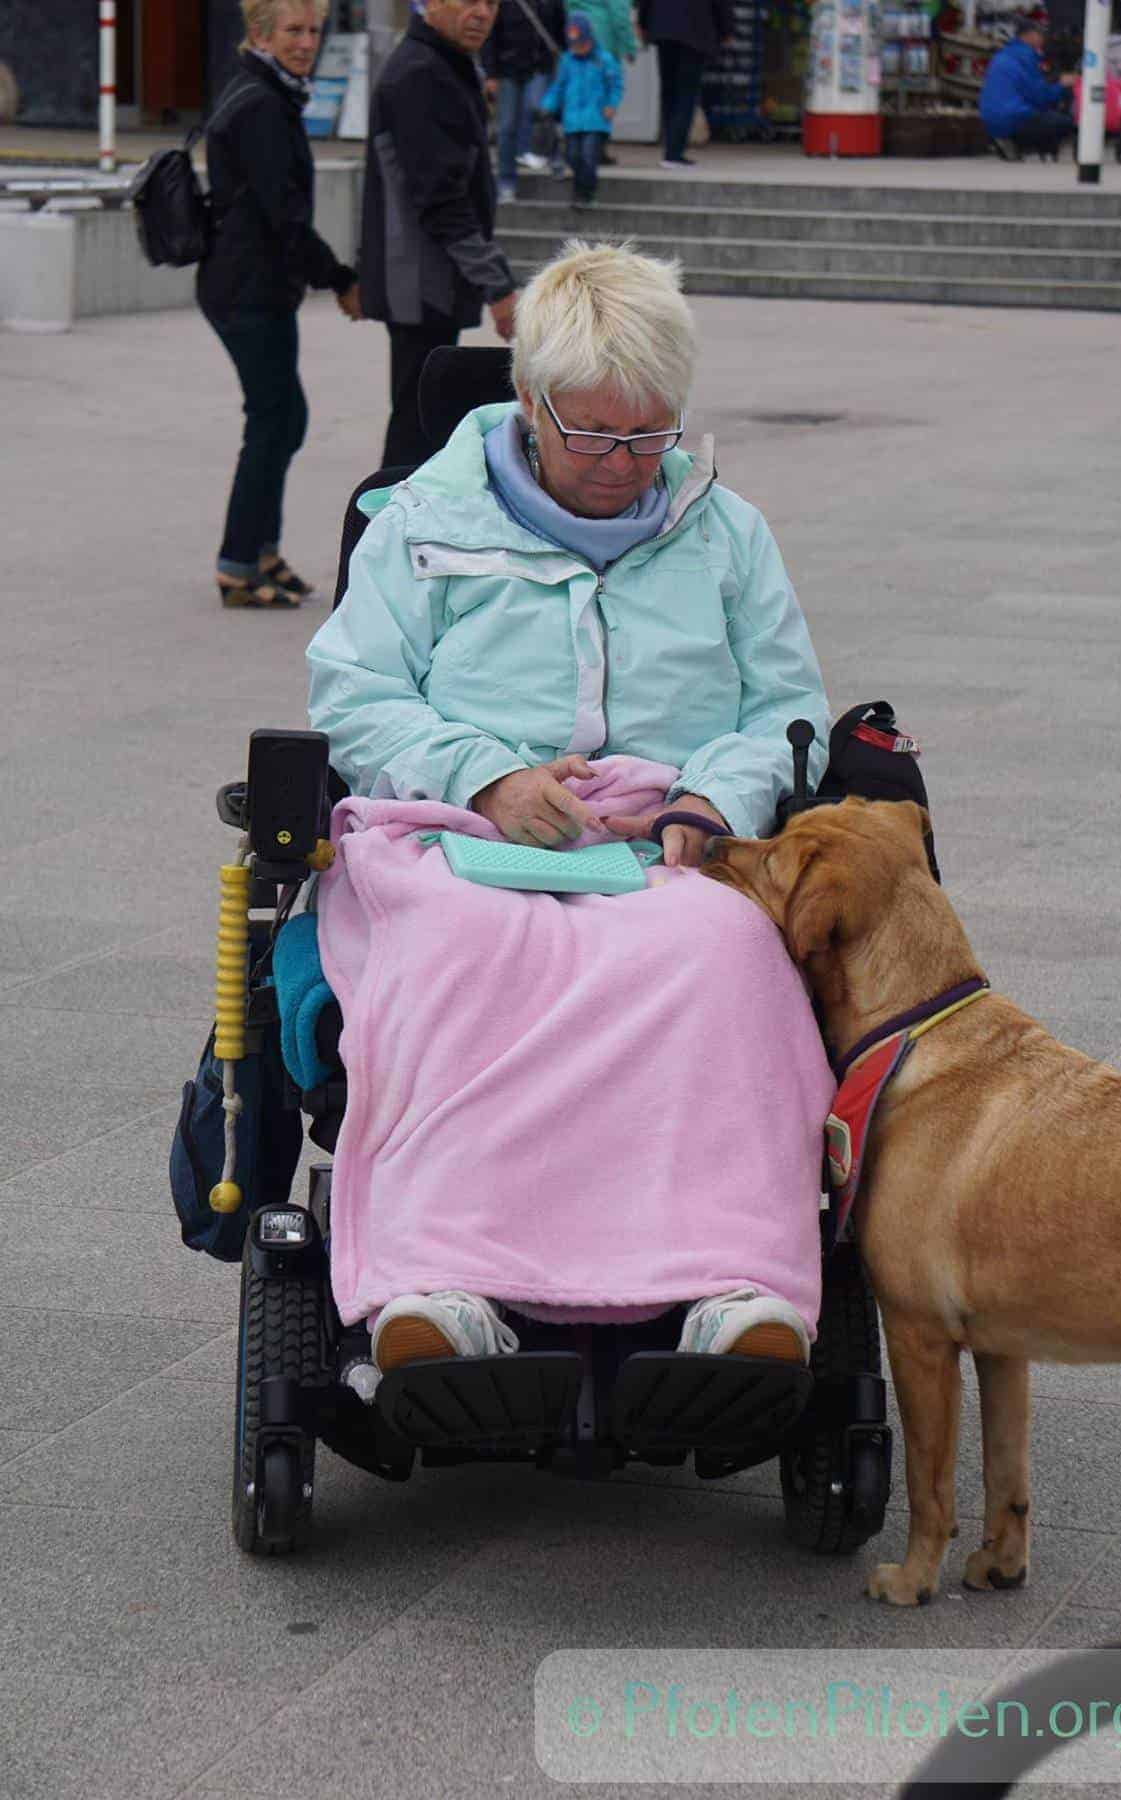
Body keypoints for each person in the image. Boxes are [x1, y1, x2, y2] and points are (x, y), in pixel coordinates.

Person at [307, 242, 831, 1373]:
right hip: (462, 834)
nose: (622, 464)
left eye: (650, 434)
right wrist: (482, 776)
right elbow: (355, 692)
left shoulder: (726, 532)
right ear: (528, 403)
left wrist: (713, 795)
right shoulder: (422, 521)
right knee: (453, 951)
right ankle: (440, 1278)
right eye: (593, 433)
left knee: (727, 950)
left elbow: (788, 709)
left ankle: (732, 1280)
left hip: (664, 847)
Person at [198, 0, 360, 609]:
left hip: (252, 285)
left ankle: (261, 548)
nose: (307, 42)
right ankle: (238, 563)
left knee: (283, 418)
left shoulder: (264, 90)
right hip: (248, 289)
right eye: (294, 30)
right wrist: (341, 277)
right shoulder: (264, 104)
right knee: (274, 419)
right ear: (260, 34)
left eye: (314, 30)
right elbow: (283, 217)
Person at [359, 0, 519, 470]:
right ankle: (382, 536)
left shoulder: (446, 64)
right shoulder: (421, 74)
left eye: (491, 2)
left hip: (426, 276)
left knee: (422, 420)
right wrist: (498, 286)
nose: (481, 13)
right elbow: (440, 198)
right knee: (416, 429)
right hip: (417, 280)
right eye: (467, 0)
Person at [481, 0, 566, 205]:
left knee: (538, 110)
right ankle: (506, 182)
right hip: (509, 68)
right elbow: (490, 36)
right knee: (506, 128)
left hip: (539, 66)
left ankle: (552, 154)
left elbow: (560, 30)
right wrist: (490, 73)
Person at [635, 0, 734, 170]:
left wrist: (643, 22)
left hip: (663, 28)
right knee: (686, 93)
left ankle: (670, 149)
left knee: (669, 90)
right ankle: (674, 153)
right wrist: (726, 30)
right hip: (695, 29)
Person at [537, 12, 623, 205]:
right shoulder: (567, 61)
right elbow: (558, 87)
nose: (578, 49)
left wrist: (611, 105)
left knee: (588, 157)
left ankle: (586, 193)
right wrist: (547, 105)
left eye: (581, 45)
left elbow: (615, 85)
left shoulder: (604, 60)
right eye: (574, 45)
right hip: (573, 120)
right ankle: (580, 190)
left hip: (596, 119)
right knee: (573, 156)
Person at [978, 15, 1077, 160]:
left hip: (990, 118)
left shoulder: (1006, 53)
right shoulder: (1027, 56)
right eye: (1041, 33)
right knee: (1066, 123)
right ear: (1029, 35)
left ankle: (1011, 142)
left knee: (1046, 116)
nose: (1044, 37)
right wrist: (1061, 86)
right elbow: (1039, 96)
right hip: (1014, 117)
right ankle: (1017, 143)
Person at [576, 0, 640, 161]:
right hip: (603, 40)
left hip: (578, 38)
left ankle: (577, 146)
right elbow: (619, 16)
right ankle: (595, 149)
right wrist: (630, 46)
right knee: (604, 98)